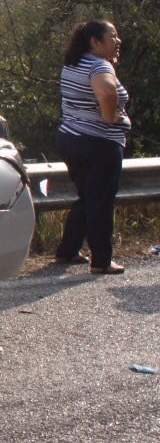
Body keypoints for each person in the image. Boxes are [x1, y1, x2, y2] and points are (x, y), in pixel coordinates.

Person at [55, 20, 130, 274]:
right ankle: (102, 260)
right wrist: (113, 118)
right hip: (99, 143)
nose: (118, 41)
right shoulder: (99, 65)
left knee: (87, 198)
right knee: (101, 201)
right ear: (95, 42)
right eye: (113, 36)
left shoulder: (73, 63)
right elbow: (107, 93)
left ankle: (67, 250)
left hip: (71, 139)